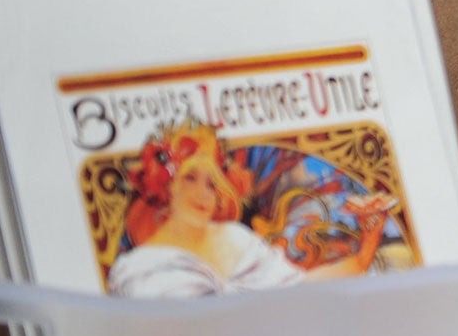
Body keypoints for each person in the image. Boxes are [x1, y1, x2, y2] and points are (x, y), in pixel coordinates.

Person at [107, 123, 393, 298]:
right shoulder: (135, 270)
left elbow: (299, 290)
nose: (202, 194)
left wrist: (365, 249)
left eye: (212, 184)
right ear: (167, 185)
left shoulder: (236, 238)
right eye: (190, 178)